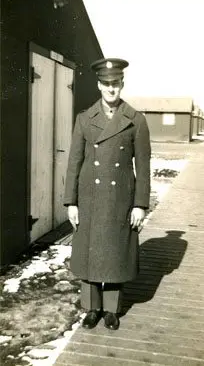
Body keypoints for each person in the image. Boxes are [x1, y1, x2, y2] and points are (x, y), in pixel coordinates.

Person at [64, 58, 151, 330]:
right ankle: (92, 308)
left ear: (122, 84)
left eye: (116, 84)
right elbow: (74, 162)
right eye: (106, 84)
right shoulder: (84, 118)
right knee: (90, 252)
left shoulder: (136, 120)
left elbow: (144, 166)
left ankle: (111, 310)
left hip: (120, 199)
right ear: (99, 85)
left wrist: (140, 204)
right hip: (89, 197)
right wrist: (71, 202)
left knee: (114, 252)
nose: (111, 89)